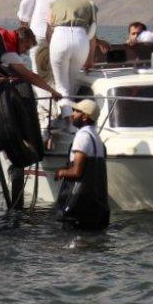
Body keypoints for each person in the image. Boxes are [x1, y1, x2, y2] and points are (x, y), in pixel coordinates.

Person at [17, 0, 86, 76]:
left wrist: (25, 28)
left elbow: (25, 4)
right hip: (61, 36)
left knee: (38, 74)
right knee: (60, 74)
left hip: (36, 34)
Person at [54, 97, 109, 230]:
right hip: (96, 207)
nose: (73, 114)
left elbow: (76, 172)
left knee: (72, 240)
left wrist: (60, 172)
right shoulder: (96, 137)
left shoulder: (82, 136)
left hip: (78, 207)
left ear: (84, 117)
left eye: (76, 111)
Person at [46, 0, 98, 109]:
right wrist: (90, 59)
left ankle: (67, 117)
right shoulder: (90, 5)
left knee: (61, 85)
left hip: (59, 37)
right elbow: (93, 34)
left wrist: (51, 49)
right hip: (81, 39)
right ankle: (72, 114)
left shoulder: (54, 4)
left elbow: (48, 31)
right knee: (72, 83)